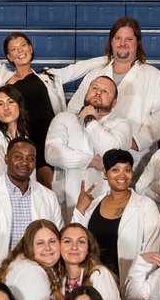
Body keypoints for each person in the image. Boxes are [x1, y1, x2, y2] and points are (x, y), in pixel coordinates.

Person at [0, 0, 107, 187]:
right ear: (9, 57)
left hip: (48, 139)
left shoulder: (49, 76)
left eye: (23, 45)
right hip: (21, 141)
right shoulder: (3, 77)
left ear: (31, 49)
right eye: (13, 49)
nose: (20, 50)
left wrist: (111, 58)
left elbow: (79, 68)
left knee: (50, 191)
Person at [66, 17, 160, 166]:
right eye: (118, 38)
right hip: (91, 153)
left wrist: (136, 141)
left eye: (129, 39)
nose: (123, 43)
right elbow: (74, 108)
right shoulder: (94, 74)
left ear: (138, 43)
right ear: (111, 41)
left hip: (134, 157)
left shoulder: (153, 76)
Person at [0, 137, 62, 286]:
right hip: (1, 279)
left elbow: (57, 237)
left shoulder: (48, 196)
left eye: (30, 158)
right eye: (18, 157)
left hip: (41, 279)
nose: (24, 162)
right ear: (6, 158)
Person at [70, 149, 160, 290]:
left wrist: (138, 286)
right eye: (115, 170)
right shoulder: (93, 205)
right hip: (93, 283)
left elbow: (152, 250)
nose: (122, 175)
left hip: (128, 285)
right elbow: (76, 240)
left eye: (127, 170)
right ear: (105, 173)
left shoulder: (146, 205)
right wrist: (80, 209)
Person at [45, 75, 133, 217]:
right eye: (95, 88)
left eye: (105, 91)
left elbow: (112, 153)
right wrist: (92, 161)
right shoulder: (64, 118)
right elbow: (52, 154)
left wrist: (89, 120)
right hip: (67, 203)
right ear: (86, 93)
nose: (98, 93)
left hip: (105, 204)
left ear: (114, 102)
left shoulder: (121, 124)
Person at [57, 221, 136, 300]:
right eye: (67, 241)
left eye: (81, 242)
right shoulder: (61, 279)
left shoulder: (100, 275)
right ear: (58, 246)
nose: (74, 247)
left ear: (88, 248)